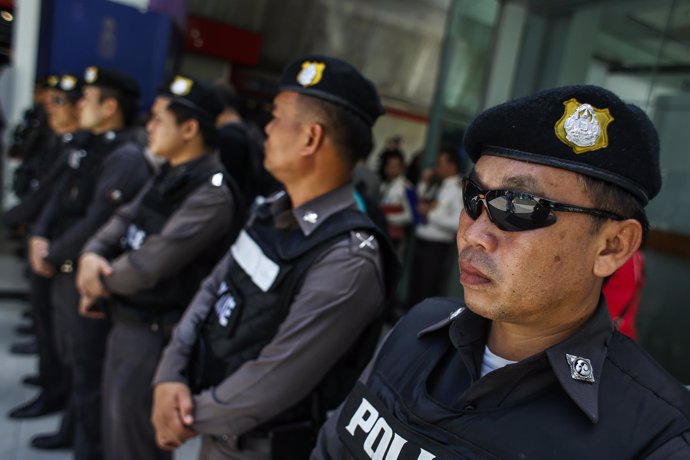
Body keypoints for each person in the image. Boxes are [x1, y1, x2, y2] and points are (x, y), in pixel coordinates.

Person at [312, 85, 690, 459]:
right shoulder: (417, 328)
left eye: (519, 206)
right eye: (472, 198)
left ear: (612, 246)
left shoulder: (653, 437)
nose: (474, 235)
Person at [151, 54, 399, 459]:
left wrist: (186, 415)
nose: (265, 127)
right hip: (215, 431)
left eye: (277, 117)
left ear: (310, 139)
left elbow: (276, 378)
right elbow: (213, 288)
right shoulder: (271, 209)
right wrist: (169, 373)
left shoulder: (348, 258)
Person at [75, 74, 241, 460]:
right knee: (115, 431)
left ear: (189, 128)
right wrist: (91, 254)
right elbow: (123, 219)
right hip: (126, 318)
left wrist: (99, 280)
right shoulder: (168, 172)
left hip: (154, 335)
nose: (148, 127)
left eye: (158, 120)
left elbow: (153, 262)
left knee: (133, 443)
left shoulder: (212, 191)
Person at [29, 66, 151, 457]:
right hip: (65, 268)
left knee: (88, 374)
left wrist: (52, 250)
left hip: (83, 274)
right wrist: (39, 235)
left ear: (111, 106)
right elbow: (58, 197)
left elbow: (97, 218)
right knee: (72, 362)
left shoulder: (125, 155)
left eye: (88, 98)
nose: (79, 104)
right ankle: (71, 431)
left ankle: (87, 448)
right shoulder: (87, 144)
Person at [6, 73, 88, 423]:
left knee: (58, 333)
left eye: (60, 102)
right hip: (43, 239)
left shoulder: (80, 147)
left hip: (58, 249)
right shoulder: (59, 140)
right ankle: (48, 381)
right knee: (44, 323)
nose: (51, 108)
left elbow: (53, 197)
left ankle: (53, 390)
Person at [405, 148, 463, 309]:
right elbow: (420, 201)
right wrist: (424, 182)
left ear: (452, 166)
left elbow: (457, 222)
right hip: (420, 240)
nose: (437, 168)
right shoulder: (435, 183)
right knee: (414, 285)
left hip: (436, 246)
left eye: (440, 164)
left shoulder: (457, 190)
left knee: (428, 287)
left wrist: (430, 215)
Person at [378, 150, 412, 250]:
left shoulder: (407, 187)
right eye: (389, 165)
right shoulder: (384, 184)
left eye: (394, 166)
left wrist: (388, 218)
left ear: (402, 168)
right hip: (381, 229)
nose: (390, 169)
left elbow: (410, 215)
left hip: (394, 233)